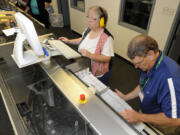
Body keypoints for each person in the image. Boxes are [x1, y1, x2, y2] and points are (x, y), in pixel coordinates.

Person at [115, 34, 180, 135]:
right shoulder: (149, 63)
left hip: (164, 125)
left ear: (150, 54)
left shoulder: (169, 78)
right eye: (134, 63)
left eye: (139, 63)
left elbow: (175, 119)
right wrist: (125, 97)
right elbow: (144, 85)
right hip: (148, 113)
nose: (136, 67)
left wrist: (140, 117)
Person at [59, 6, 114, 85]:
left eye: (93, 18)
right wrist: (68, 41)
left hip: (97, 75)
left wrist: (90, 55)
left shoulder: (107, 38)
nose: (89, 20)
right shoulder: (89, 29)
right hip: (84, 66)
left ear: (102, 21)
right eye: (88, 17)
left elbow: (107, 58)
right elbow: (83, 39)